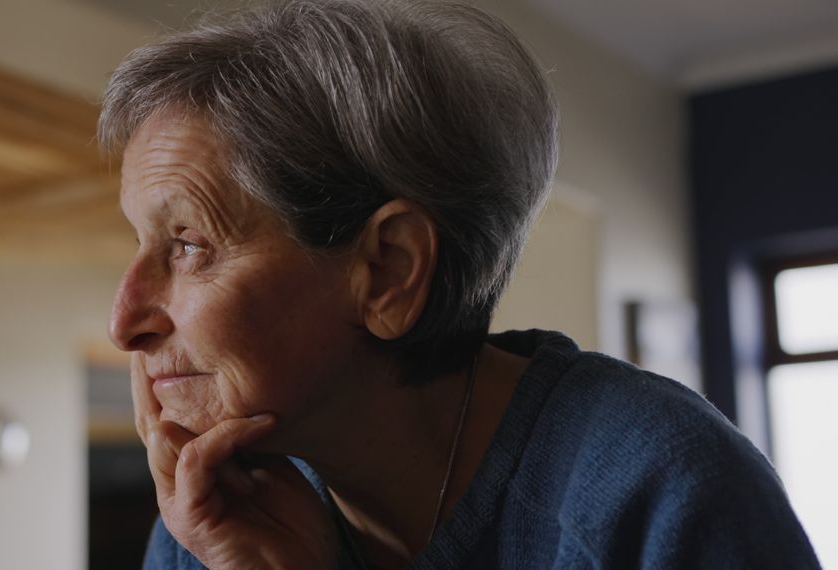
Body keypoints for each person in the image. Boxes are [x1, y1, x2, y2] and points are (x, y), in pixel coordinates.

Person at [98, 0, 821, 568]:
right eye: (140, 244)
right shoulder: (214, 509)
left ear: (388, 271)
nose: (124, 319)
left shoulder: (658, 492)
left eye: (188, 243)